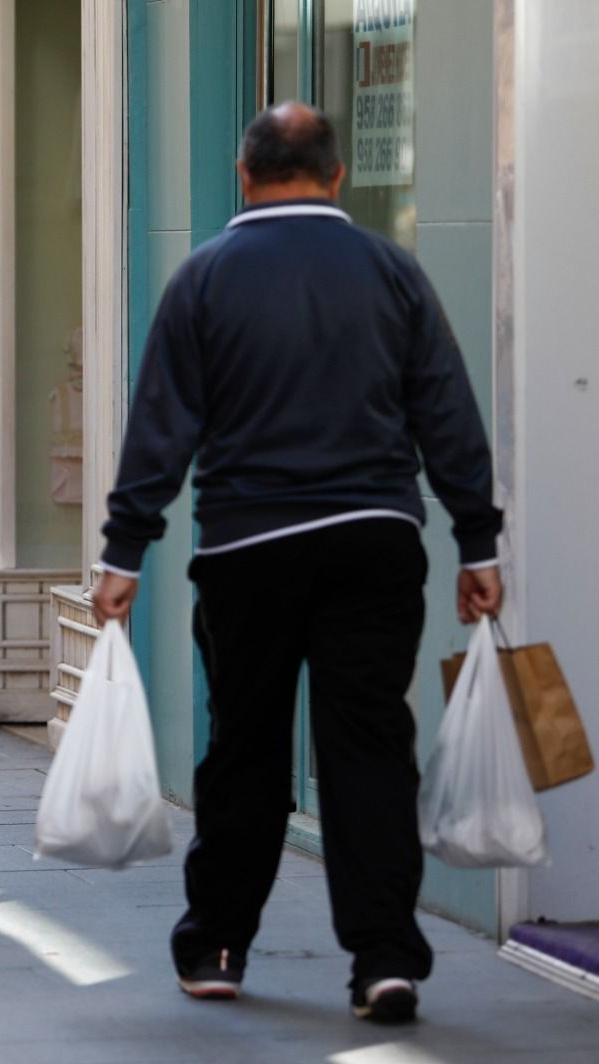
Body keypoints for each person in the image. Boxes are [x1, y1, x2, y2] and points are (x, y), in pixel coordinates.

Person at [91, 103, 504, 1024]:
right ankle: (384, 960)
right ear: (336, 176)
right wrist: (478, 541)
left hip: (249, 547)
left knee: (245, 750)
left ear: (244, 175)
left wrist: (125, 553)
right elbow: (447, 413)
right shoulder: (393, 272)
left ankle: (217, 945)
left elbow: (162, 428)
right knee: (368, 746)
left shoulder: (204, 279)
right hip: (374, 540)